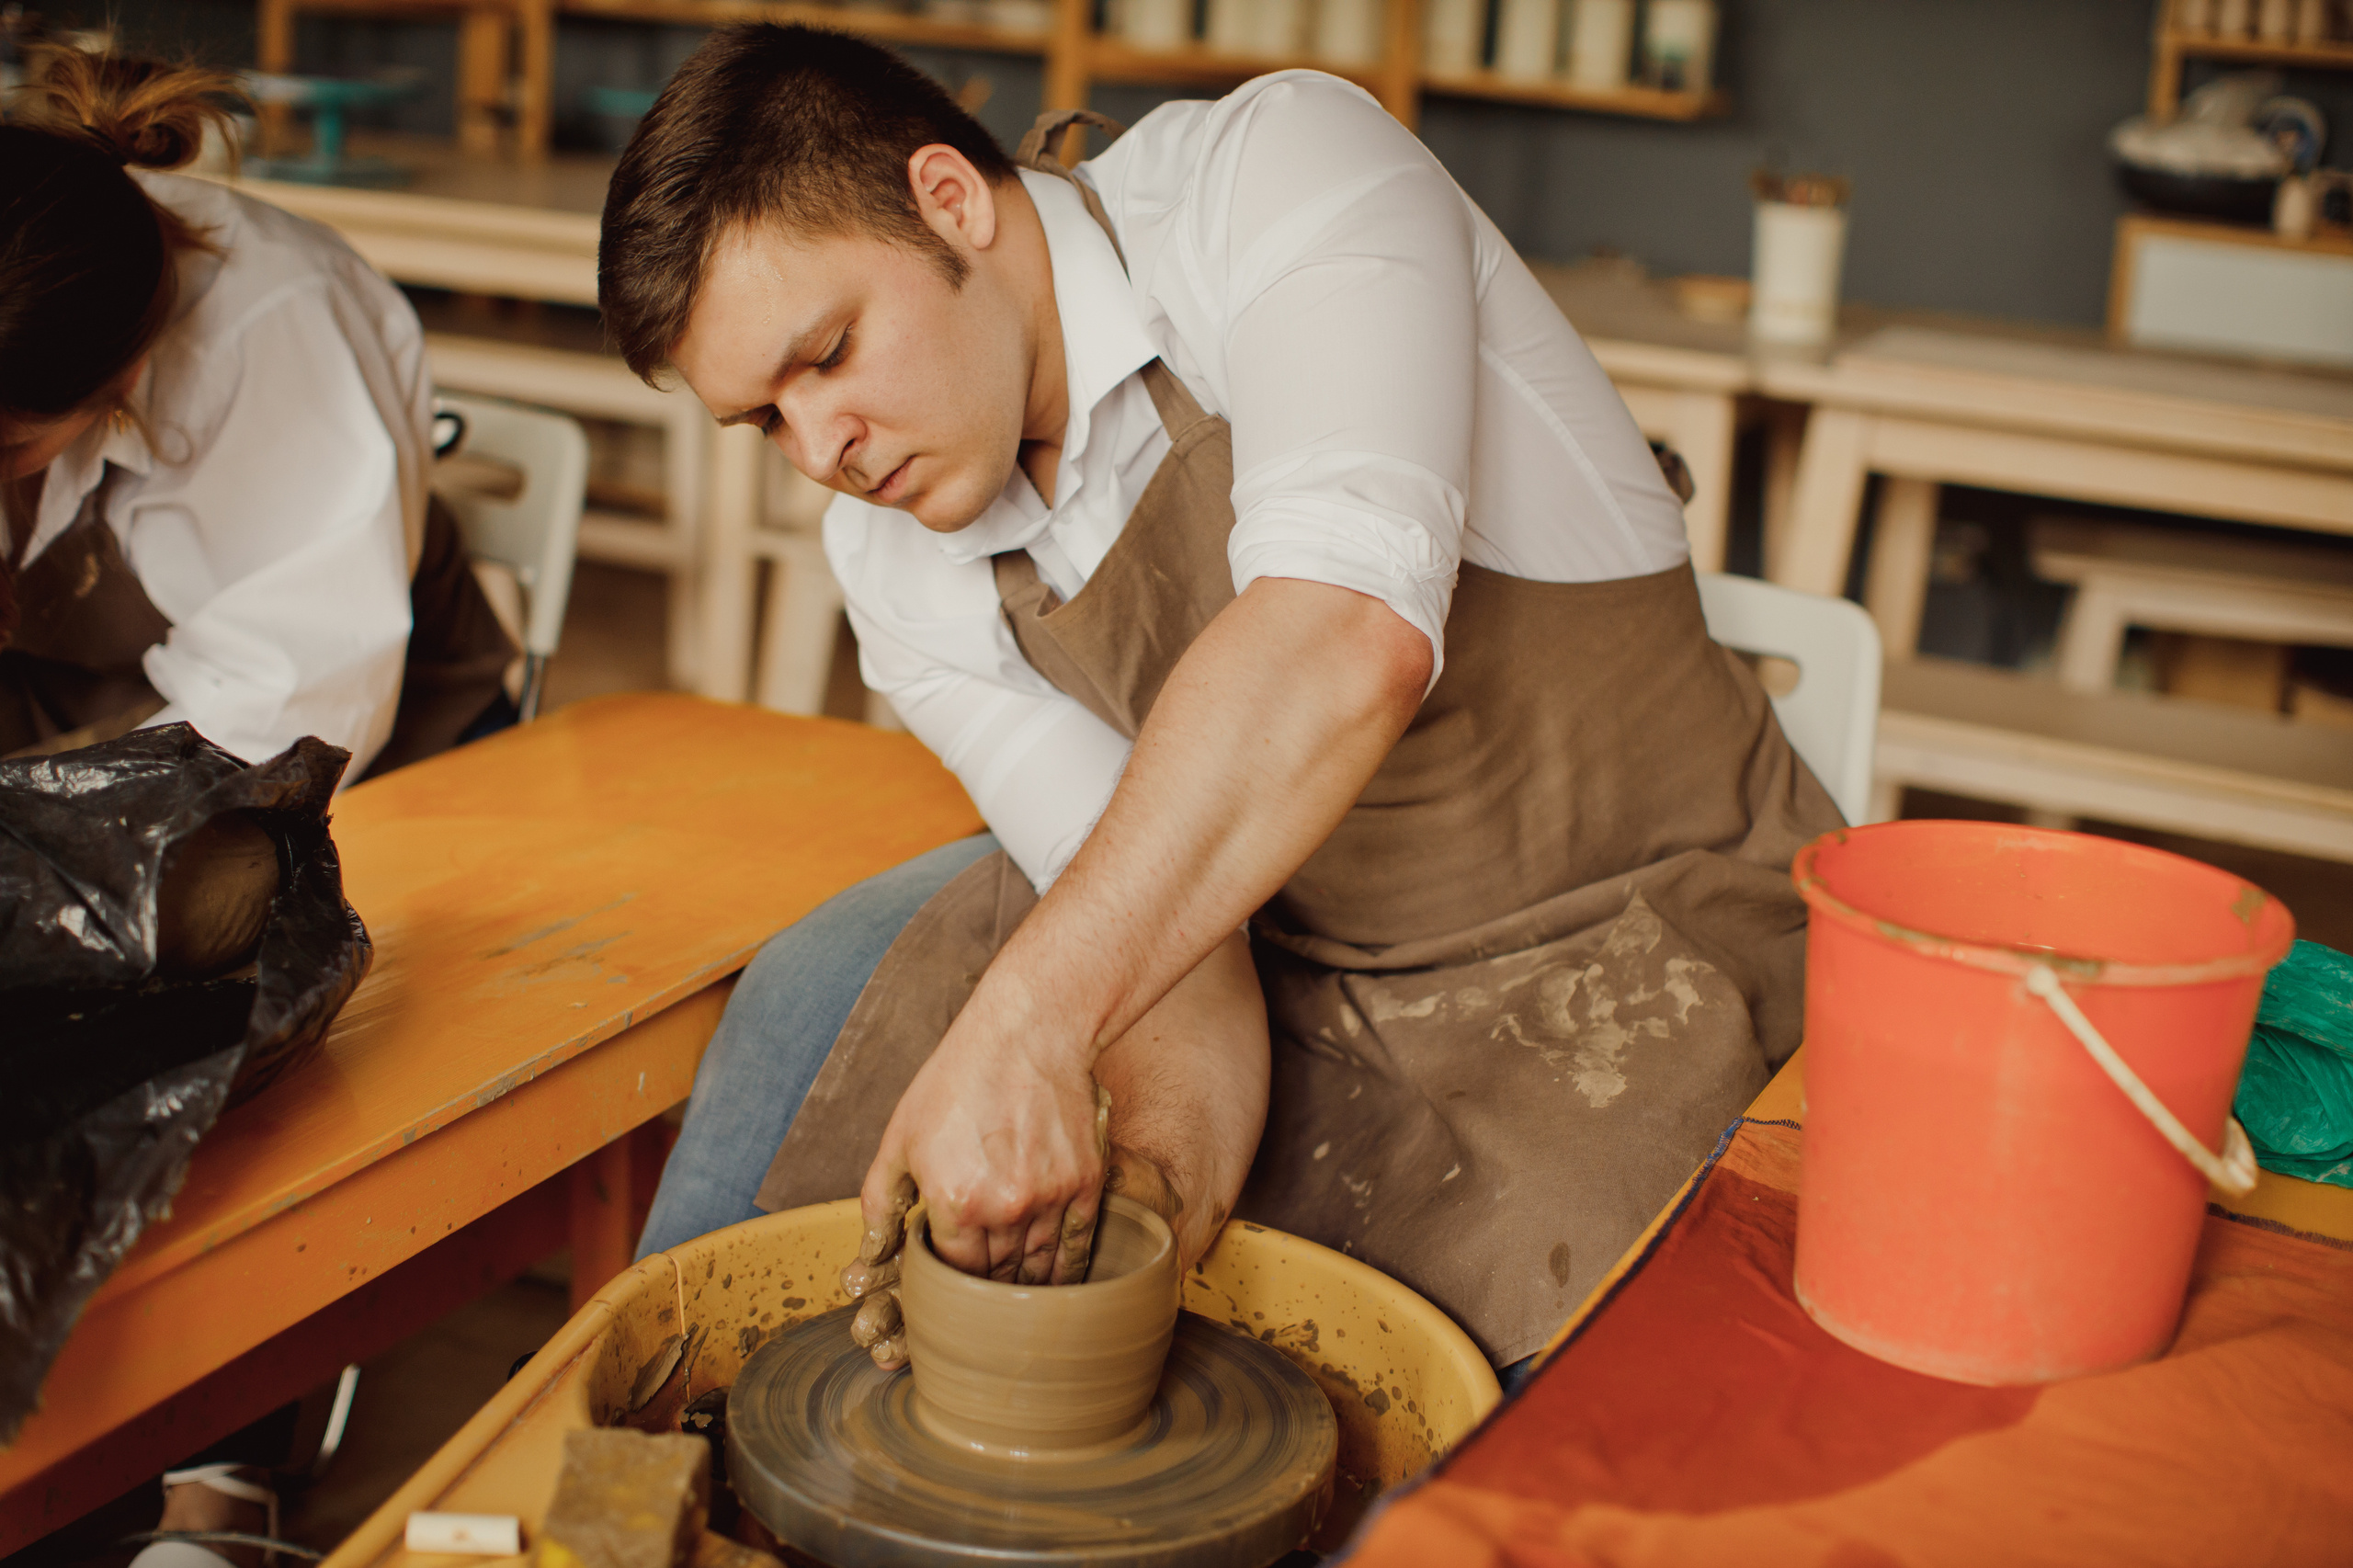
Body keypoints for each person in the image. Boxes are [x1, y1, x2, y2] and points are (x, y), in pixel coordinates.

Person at [610, 23, 1840, 1376]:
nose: (820, 451)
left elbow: (1344, 634)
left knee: (1546, 1384)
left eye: (830, 353)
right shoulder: (890, 554)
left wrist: (1026, 1021)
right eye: (764, 420)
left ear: (949, 199)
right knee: (828, 1079)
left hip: (1635, 923)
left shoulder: (1278, 176)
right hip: (1272, 933)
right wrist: (1147, 1198)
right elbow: (1170, 942)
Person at [0, 48, 514, 777]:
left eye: (8, 449)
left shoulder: (283, 328)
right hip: (80, 703)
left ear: (124, 380)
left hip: (355, 744)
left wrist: (68, 825)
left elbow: (275, 722)